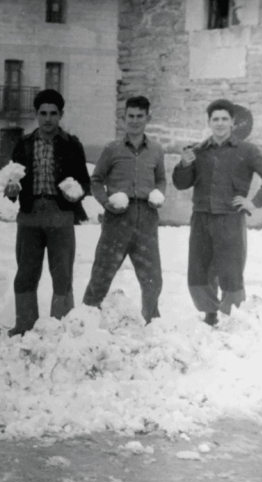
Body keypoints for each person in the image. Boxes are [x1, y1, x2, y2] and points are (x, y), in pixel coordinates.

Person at [173, 98, 262, 326]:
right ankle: (210, 313)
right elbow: (181, 183)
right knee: (200, 268)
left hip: (230, 219)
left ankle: (231, 317)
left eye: (225, 119)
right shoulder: (197, 151)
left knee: (231, 269)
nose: (220, 123)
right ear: (209, 122)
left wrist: (254, 202)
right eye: (215, 119)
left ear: (233, 122)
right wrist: (183, 165)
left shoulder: (247, 150)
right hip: (202, 217)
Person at [5, 89, 90, 336]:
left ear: (61, 115)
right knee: (26, 273)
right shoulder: (23, 144)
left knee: (62, 273)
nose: (48, 119)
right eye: (43, 113)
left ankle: (61, 327)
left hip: (60, 214)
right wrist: (11, 189)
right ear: (36, 114)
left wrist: (76, 193)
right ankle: (24, 325)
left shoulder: (72, 144)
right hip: (30, 214)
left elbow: (84, 182)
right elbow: (12, 180)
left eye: (53, 113)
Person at [82, 96, 166, 324]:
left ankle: (151, 322)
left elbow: (161, 180)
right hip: (117, 218)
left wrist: (159, 195)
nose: (135, 121)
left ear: (148, 118)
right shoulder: (112, 149)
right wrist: (106, 202)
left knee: (152, 277)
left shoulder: (156, 150)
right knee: (102, 272)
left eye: (140, 116)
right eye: (131, 116)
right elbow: (96, 180)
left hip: (146, 217)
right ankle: (87, 318)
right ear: (123, 118)